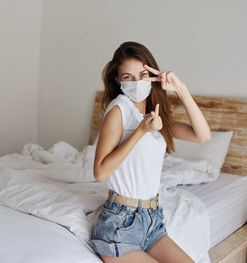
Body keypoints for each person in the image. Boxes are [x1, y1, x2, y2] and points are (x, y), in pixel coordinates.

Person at [89, 41, 211, 263]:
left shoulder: (155, 115)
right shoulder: (119, 109)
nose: (137, 82)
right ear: (118, 80)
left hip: (152, 220)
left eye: (143, 74)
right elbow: (99, 173)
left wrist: (180, 88)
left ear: (153, 75)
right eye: (128, 77)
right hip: (119, 223)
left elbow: (202, 135)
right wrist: (140, 132)